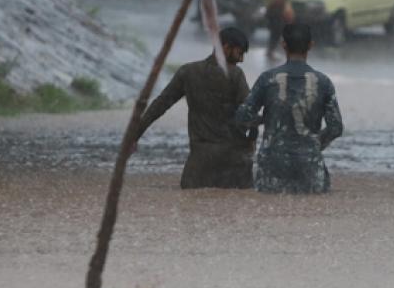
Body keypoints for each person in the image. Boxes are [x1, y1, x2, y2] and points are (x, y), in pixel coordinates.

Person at [134, 27, 255, 189]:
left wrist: (134, 136)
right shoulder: (235, 75)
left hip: (200, 163)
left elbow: (160, 105)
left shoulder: (188, 72)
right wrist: (252, 138)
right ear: (225, 48)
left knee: (191, 202)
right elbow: (249, 113)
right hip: (234, 160)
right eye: (239, 53)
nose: (241, 60)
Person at [234, 23, 343, 194]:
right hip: (310, 165)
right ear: (310, 45)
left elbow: (241, 117)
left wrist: (264, 119)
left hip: (272, 164)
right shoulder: (323, 83)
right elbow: (336, 128)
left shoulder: (267, 79)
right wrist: (313, 144)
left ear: (283, 44)